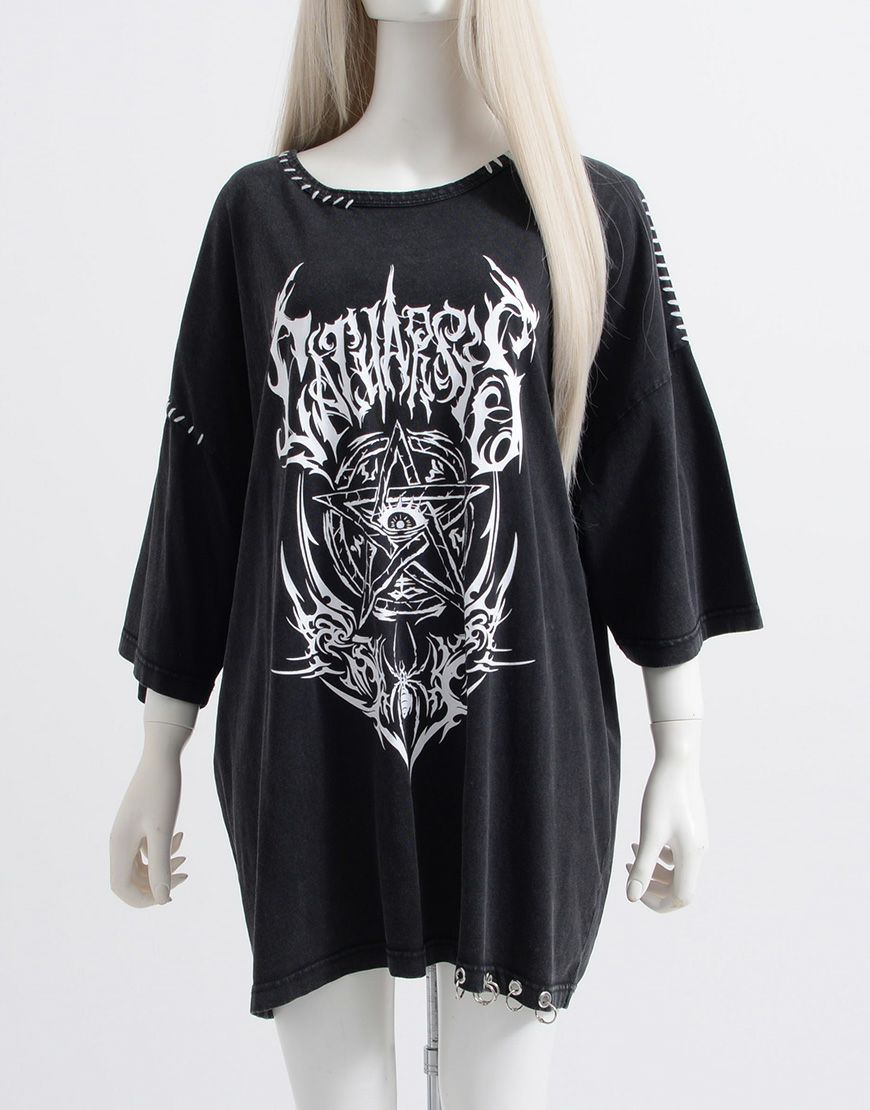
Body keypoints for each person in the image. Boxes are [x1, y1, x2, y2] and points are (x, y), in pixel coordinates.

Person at [109, 2, 763, 1107]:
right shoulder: (259, 216)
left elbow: (648, 480)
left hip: (523, 738)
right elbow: (202, 490)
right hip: (305, 738)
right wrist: (158, 745)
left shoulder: (585, 211)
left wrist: (681, 748)